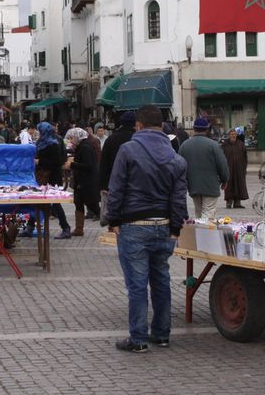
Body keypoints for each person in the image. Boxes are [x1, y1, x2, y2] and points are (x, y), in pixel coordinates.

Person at [106, 105, 188, 353]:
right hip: (163, 227)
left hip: (134, 226)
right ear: (162, 126)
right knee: (161, 281)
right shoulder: (177, 158)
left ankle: (138, 338)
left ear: (138, 126)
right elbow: (179, 198)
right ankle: (162, 334)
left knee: (137, 285)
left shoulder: (128, 150)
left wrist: (114, 221)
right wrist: (175, 228)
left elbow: (116, 188)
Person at [178, 117, 229, 220]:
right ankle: (206, 235)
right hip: (210, 185)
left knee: (198, 212)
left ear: (194, 128)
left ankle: (199, 233)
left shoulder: (184, 146)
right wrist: (225, 179)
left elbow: (179, 166)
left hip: (193, 185)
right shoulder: (213, 145)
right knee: (208, 212)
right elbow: (222, 164)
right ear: (207, 129)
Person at [33, 122, 72, 239]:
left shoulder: (54, 144)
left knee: (55, 203)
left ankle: (66, 228)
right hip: (41, 177)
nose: (38, 134)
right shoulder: (40, 143)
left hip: (52, 177)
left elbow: (57, 162)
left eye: (40, 131)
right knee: (36, 202)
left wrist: (40, 162)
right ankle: (30, 227)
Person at [65, 128, 99, 235]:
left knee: (93, 206)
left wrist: (72, 164)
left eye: (71, 138)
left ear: (77, 136)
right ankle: (79, 229)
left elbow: (88, 165)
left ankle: (112, 225)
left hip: (87, 182)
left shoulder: (85, 147)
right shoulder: (81, 146)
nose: (70, 140)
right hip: (81, 181)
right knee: (78, 203)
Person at [99, 111, 136, 193]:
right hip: (134, 183)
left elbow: (104, 163)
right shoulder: (138, 138)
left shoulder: (111, 139)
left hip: (113, 182)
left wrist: (103, 186)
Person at [222, 128, 249, 209]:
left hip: (239, 168)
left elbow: (245, 157)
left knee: (239, 184)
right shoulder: (225, 145)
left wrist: (244, 167)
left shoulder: (241, 144)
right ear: (229, 135)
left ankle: (237, 202)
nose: (233, 136)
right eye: (232, 134)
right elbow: (221, 157)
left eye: (234, 134)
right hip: (228, 168)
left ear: (236, 135)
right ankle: (229, 202)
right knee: (229, 185)